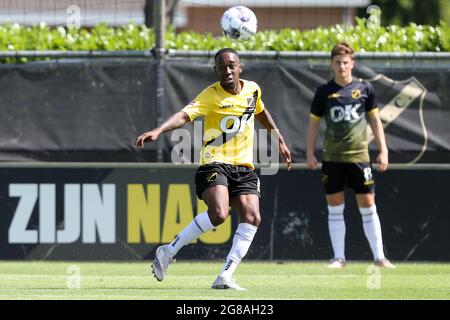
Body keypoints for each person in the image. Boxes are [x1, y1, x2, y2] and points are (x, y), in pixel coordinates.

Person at [135, 48, 292, 290]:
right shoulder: (211, 95)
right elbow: (184, 116)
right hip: (214, 162)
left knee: (252, 217)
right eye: (221, 66)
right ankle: (168, 251)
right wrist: (158, 131)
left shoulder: (252, 89)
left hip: (244, 167)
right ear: (215, 70)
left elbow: (260, 110)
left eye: (231, 65)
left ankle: (225, 277)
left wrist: (278, 138)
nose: (227, 70)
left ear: (240, 67)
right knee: (219, 213)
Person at [306, 42, 395, 269]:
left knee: (368, 206)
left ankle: (379, 257)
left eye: (346, 62)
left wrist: (383, 150)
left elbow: (375, 121)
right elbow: (313, 124)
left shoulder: (365, 89)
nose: (342, 66)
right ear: (331, 64)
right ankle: (339, 258)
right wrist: (309, 153)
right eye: (338, 62)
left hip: (359, 158)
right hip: (332, 158)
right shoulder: (324, 91)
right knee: (335, 208)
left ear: (352, 63)